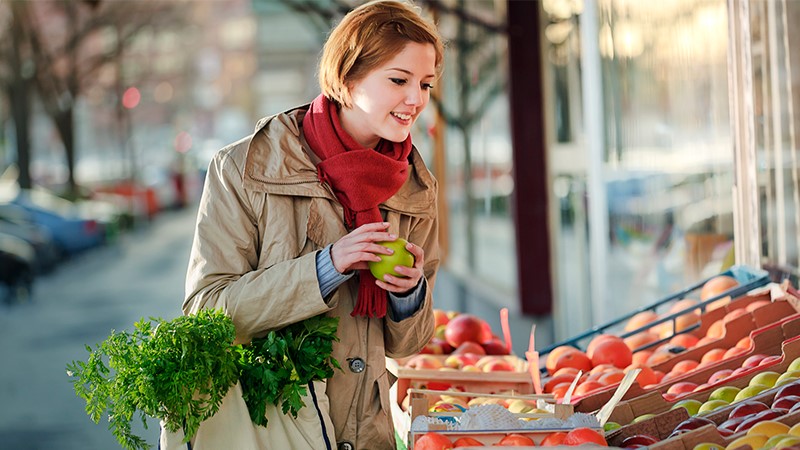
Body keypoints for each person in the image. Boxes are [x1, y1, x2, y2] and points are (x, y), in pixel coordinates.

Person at [159, 1, 444, 449]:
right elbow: (206, 312)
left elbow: (405, 347)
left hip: (369, 435)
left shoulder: (414, 184)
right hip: (276, 430)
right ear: (348, 78)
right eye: (398, 80)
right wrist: (325, 268)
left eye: (425, 84)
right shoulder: (243, 168)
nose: (416, 99)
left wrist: (408, 296)